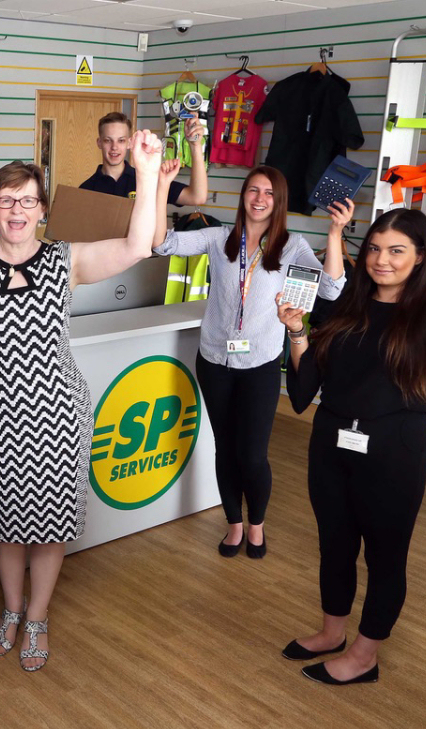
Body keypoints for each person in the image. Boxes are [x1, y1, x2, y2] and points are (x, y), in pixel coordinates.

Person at [0, 131, 164, 672]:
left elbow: (138, 246)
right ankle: (10, 609)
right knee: (4, 523)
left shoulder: (63, 260)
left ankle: (38, 617)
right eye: (6, 201)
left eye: (27, 200)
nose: (16, 210)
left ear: (43, 209)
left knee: (49, 525)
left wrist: (146, 175)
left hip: (58, 414)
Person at [277, 207, 426, 685]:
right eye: (376, 249)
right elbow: (305, 386)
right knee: (334, 546)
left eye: (397, 251)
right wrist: (297, 330)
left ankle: (364, 656)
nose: (382, 260)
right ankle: (331, 633)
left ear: (421, 256)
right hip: (330, 443)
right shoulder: (345, 306)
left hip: (393, 452)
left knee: (385, 555)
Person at [151, 166, 345, 558]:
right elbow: (161, 245)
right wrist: (159, 189)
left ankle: (256, 524)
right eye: (253, 190)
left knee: (252, 453)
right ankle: (233, 525)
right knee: (225, 447)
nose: (259, 198)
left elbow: (331, 287)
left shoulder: (291, 247)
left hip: (259, 363)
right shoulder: (220, 237)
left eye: (269, 193)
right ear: (243, 196)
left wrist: (335, 234)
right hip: (214, 360)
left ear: (279, 201)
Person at [80, 111, 208, 208]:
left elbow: (197, 197)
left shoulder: (148, 180)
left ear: (130, 143)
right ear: (99, 143)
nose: (114, 147)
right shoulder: (85, 190)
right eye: (108, 140)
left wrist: (195, 145)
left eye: (121, 140)